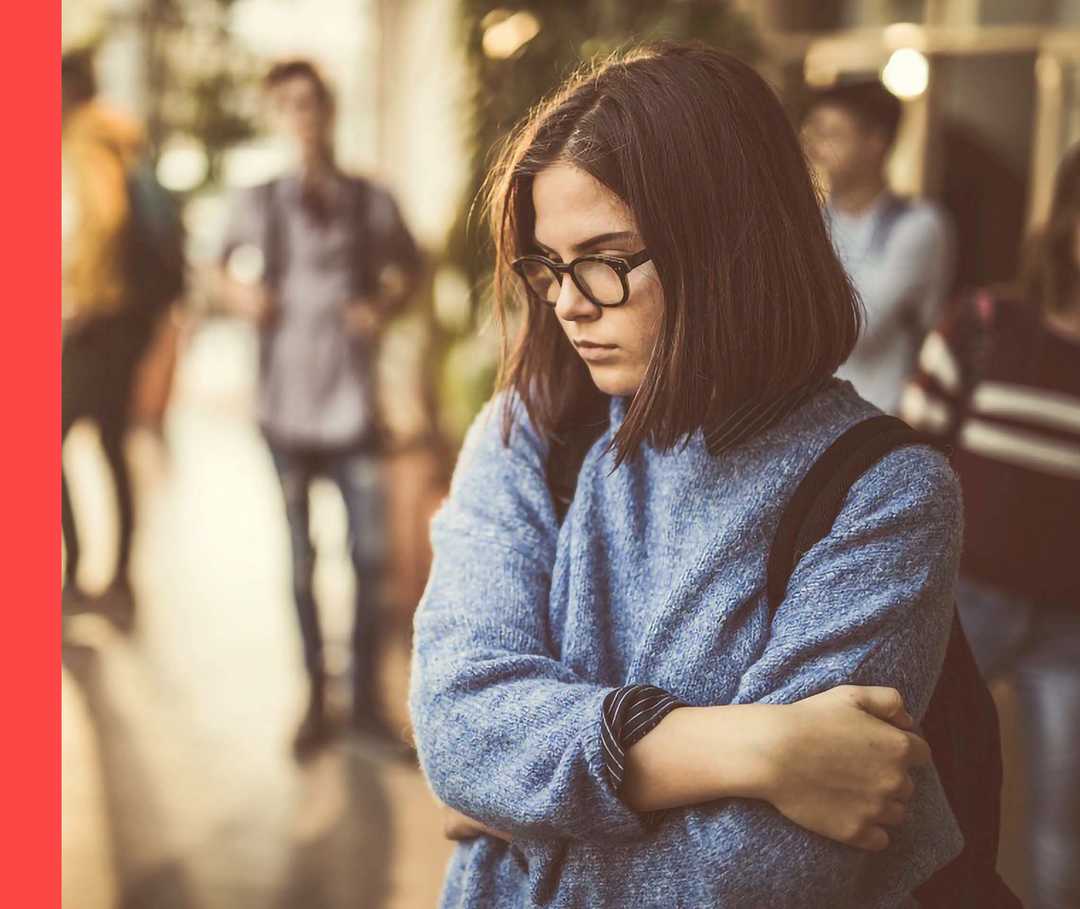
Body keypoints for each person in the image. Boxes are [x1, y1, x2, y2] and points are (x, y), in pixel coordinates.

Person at [409, 44, 966, 907]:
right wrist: (756, 749)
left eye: (605, 258)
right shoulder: (533, 430)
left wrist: (519, 813)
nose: (567, 302)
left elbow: (759, 875)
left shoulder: (883, 495)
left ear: (727, 244)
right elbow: (457, 727)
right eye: (547, 264)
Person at [216, 60, 421, 757]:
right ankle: (314, 698)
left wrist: (381, 305)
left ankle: (364, 702)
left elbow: (410, 267)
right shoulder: (258, 201)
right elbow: (215, 268)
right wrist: (243, 297)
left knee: (369, 557)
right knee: (301, 561)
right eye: (288, 106)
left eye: (311, 103)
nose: (302, 117)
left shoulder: (370, 199)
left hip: (353, 408)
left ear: (330, 111)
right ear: (277, 118)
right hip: (285, 409)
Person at [901, 144, 1080, 909]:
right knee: (913, 795)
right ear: (1065, 222)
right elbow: (908, 460)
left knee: (1060, 826)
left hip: (1070, 625)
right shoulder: (983, 323)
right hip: (961, 603)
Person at [61, 50, 183, 612]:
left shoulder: (86, 138)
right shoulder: (120, 134)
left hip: (101, 317)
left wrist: (82, 300)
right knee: (112, 441)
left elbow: (104, 221)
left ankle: (79, 569)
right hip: (128, 319)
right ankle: (120, 575)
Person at [802, 79, 953, 413]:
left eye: (832, 134)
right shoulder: (811, 222)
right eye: (813, 132)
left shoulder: (917, 225)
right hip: (814, 412)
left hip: (883, 413)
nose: (816, 147)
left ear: (875, 143)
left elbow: (858, 326)